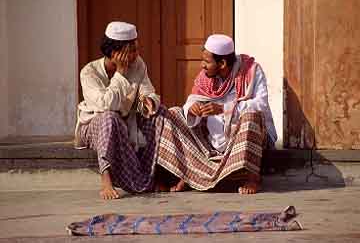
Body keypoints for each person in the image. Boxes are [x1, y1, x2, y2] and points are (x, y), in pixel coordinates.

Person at [156, 34, 277, 194]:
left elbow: (260, 105)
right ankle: (189, 174)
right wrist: (193, 108)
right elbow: (192, 100)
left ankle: (252, 178)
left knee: (251, 116)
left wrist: (224, 108)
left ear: (222, 63)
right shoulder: (206, 77)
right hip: (210, 142)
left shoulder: (251, 71)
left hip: (242, 140)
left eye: (206, 62)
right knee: (173, 114)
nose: (202, 65)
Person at [74, 21, 165, 200]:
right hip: (93, 125)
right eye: (130, 50)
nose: (136, 55)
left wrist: (148, 101)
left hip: (127, 122)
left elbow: (148, 90)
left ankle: (152, 175)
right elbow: (105, 104)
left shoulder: (138, 64)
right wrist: (120, 74)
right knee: (110, 118)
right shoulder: (89, 72)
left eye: (136, 49)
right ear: (114, 52)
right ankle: (106, 179)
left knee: (160, 114)